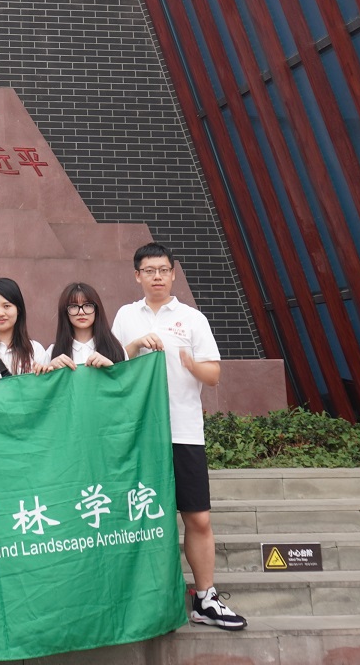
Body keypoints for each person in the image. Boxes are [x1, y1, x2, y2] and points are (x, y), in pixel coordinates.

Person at [111, 244, 245, 631]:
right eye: (148, 270)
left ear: (173, 274)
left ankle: (205, 598)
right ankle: (141, 598)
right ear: (137, 275)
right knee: (141, 517)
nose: (156, 276)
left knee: (197, 517)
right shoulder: (125, 316)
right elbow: (111, 364)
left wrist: (190, 363)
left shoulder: (192, 319)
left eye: (163, 270)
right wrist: (136, 345)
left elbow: (213, 375)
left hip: (183, 431)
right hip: (138, 434)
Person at [44, 281, 125, 370]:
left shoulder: (116, 349)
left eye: (88, 305)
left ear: (97, 309)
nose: (81, 312)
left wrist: (112, 369)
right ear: (65, 312)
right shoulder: (53, 353)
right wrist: (51, 372)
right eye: (74, 306)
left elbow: (127, 378)